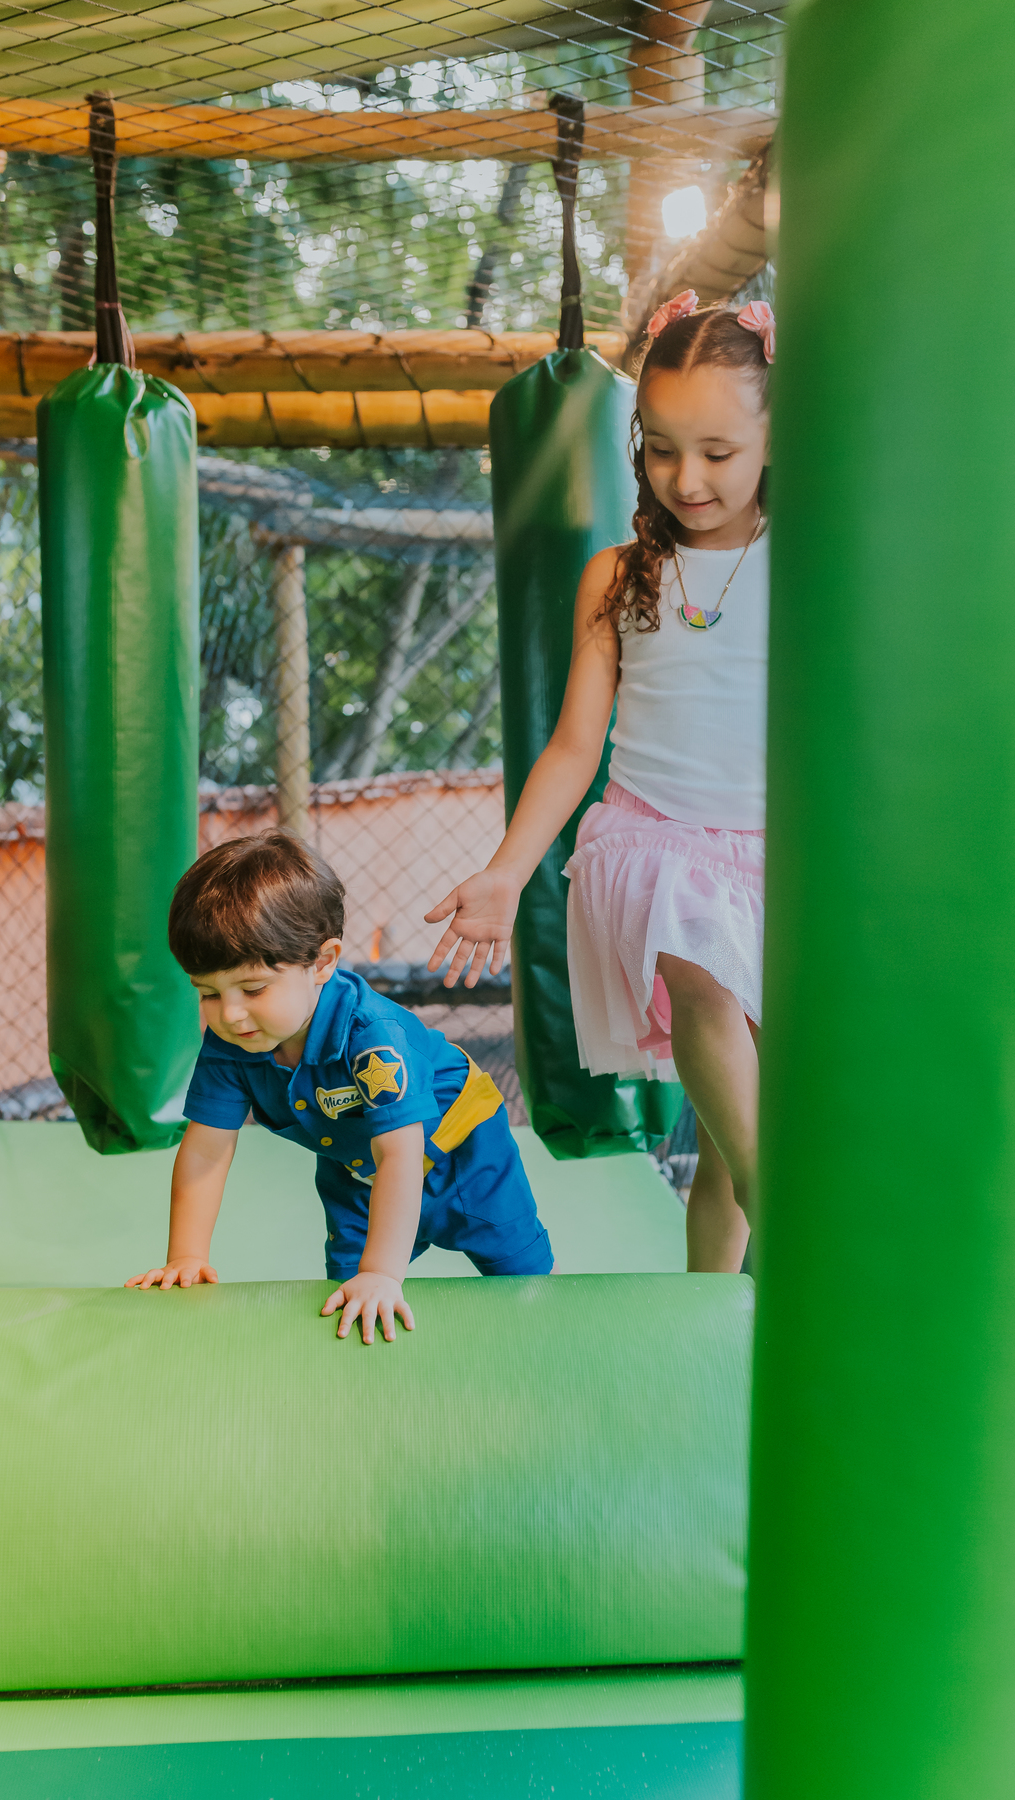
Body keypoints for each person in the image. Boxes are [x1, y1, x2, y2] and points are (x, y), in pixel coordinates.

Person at [426, 292, 774, 1274]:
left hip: (778, 864)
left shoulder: (809, 562)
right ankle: (781, 1207)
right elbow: (576, 746)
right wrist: (505, 871)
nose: (686, 477)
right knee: (700, 992)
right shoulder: (619, 576)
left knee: (727, 1136)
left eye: (716, 451)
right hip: (656, 844)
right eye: (661, 449)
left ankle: (714, 1319)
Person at [127, 830, 553, 1340]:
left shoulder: (372, 1040)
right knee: (349, 1295)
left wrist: (383, 1272)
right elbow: (205, 1150)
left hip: (463, 1151)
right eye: (207, 993)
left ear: (323, 962)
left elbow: (401, 1153)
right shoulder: (234, 1043)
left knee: (520, 1274)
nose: (231, 1013)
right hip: (358, 1171)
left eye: (253, 988)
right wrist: (187, 1257)